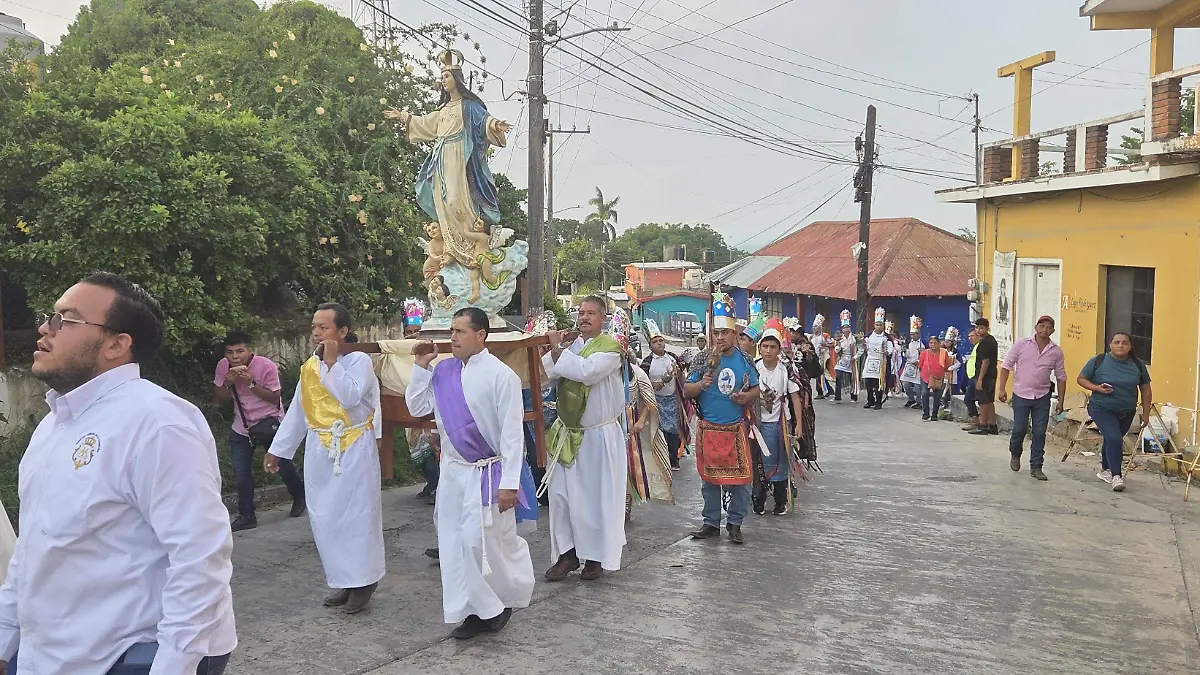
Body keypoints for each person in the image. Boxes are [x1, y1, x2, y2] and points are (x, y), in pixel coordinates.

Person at [0, 273, 236, 674]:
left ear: (116, 344)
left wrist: (173, 666)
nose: (45, 328)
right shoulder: (54, 423)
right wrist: (5, 641)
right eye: (49, 316)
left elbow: (200, 559)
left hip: (128, 655)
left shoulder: (158, 423)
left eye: (66, 320)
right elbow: (34, 549)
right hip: (58, 655)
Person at [405, 307, 534, 639]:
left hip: (486, 473)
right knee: (454, 544)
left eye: (460, 331)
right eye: (451, 330)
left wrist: (509, 484)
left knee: (483, 544)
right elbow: (418, 408)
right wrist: (421, 369)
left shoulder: (501, 375)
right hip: (452, 474)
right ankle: (474, 609)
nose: (453, 337)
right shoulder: (444, 371)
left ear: (481, 335)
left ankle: (501, 601)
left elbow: (512, 435)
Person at [266, 303, 384, 613]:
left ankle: (365, 581)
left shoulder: (359, 361)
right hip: (321, 448)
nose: (316, 332)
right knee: (327, 518)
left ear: (343, 331)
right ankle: (344, 579)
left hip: (354, 445)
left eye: (324, 327)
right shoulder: (310, 367)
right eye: (314, 327)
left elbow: (349, 397)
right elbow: (298, 411)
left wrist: (331, 364)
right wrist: (279, 450)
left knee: (356, 516)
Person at [386, 49, 513, 304]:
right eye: (441, 76)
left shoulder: (470, 107)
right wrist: (402, 116)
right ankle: (452, 250)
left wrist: (495, 126)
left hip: (461, 159)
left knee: (457, 200)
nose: (443, 80)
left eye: (447, 75)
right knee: (444, 203)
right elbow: (424, 124)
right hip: (442, 160)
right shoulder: (443, 110)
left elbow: (485, 122)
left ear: (457, 78)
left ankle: (470, 248)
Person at [541, 296, 627, 582]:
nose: (585, 317)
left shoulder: (611, 350)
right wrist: (551, 348)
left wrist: (556, 349)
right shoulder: (572, 347)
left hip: (598, 437)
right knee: (562, 497)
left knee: (593, 500)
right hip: (568, 434)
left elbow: (586, 373)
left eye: (591, 313)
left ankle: (594, 558)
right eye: (581, 312)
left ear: (603, 318)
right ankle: (567, 555)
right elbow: (549, 374)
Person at [684, 293, 759, 544]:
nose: (719, 337)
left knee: (741, 480)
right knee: (709, 480)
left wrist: (745, 396)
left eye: (724, 333)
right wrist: (702, 384)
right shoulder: (701, 359)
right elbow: (686, 390)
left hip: (735, 427)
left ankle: (735, 523)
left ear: (734, 334)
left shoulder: (745, 359)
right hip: (708, 427)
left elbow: (756, 388)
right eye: (715, 333)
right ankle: (711, 522)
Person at [212, 330, 305, 532]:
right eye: (230, 352)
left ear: (249, 350)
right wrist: (227, 381)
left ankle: (299, 496)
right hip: (242, 426)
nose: (235, 357)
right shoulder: (223, 367)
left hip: (268, 422)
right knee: (241, 473)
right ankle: (247, 515)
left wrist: (250, 382)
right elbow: (219, 400)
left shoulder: (266, 366)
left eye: (240, 351)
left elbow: (275, 398)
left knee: (282, 465)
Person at [1077, 333, 1153, 493]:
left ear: (1130, 346)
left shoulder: (1137, 365)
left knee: (1113, 438)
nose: (1120, 345)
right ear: (1110, 345)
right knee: (1114, 437)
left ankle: (1105, 470)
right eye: (1116, 342)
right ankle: (1116, 475)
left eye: (1125, 343)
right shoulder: (1098, 361)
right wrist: (1096, 388)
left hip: (1127, 410)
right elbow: (1081, 378)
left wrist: (1146, 413)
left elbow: (1145, 389)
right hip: (1101, 407)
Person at [996, 315, 1067, 481]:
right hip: (1021, 394)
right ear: (1036, 327)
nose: (1045, 330)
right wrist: (1001, 389)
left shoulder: (1055, 351)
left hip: (1042, 396)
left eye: (1048, 327)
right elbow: (1006, 366)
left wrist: (1061, 401)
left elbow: (1061, 376)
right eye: (1041, 326)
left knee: (1039, 431)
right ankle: (1015, 453)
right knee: (1020, 428)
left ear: (1053, 331)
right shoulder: (1022, 344)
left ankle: (1036, 467)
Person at [752, 323, 802, 516]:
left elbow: (795, 397)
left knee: (781, 461)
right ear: (760, 348)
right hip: (757, 423)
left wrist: (798, 424)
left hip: (780, 422)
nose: (768, 350)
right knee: (759, 461)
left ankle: (780, 501)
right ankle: (759, 498)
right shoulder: (754, 367)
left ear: (779, 350)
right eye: (765, 346)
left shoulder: (786, 370)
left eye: (773, 347)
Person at [640, 320, 689, 470]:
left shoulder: (673, 357)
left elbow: (682, 379)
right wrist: (661, 381)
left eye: (661, 340)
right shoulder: (647, 362)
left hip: (673, 399)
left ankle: (674, 460)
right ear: (650, 345)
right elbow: (644, 384)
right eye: (655, 341)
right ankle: (660, 459)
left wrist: (679, 374)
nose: (659, 343)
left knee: (673, 430)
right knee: (659, 430)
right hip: (656, 401)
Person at [969, 318, 1000, 436]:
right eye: (977, 327)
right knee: (989, 401)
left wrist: (980, 379)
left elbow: (985, 361)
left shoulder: (985, 342)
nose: (978, 330)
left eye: (981, 328)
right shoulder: (990, 340)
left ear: (987, 329)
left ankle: (983, 425)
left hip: (986, 376)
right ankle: (992, 425)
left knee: (983, 401)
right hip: (991, 375)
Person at [862, 309, 894, 410]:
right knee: (868, 381)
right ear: (874, 325)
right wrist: (864, 346)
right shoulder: (869, 335)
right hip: (870, 359)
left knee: (878, 383)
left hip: (880, 361)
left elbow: (890, 349)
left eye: (880, 325)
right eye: (877, 324)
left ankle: (878, 401)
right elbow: (864, 347)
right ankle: (870, 400)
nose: (878, 327)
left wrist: (887, 352)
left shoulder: (886, 337)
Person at [919, 335, 952, 421]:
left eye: (934, 343)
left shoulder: (943, 353)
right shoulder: (924, 353)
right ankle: (926, 414)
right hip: (925, 377)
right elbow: (920, 365)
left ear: (939, 343)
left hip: (938, 378)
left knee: (937, 396)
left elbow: (947, 365)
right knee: (924, 394)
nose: (932, 345)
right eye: (931, 343)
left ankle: (934, 414)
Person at [833, 310, 858, 403]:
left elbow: (860, 350)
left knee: (852, 378)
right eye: (844, 328)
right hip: (842, 359)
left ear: (850, 328)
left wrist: (855, 357)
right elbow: (836, 350)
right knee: (838, 376)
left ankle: (854, 396)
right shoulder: (840, 338)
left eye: (847, 327)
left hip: (852, 360)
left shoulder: (854, 338)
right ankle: (837, 396)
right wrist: (838, 344)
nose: (845, 329)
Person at [900, 316, 924, 408]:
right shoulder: (908, 342)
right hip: (909, 365)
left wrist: (919, 361)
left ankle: (919, 402)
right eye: (911, 334)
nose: (912, 336)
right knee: (905, 383)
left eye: (914, 334)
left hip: (918, 366)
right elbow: (906, 355)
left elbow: (926, 355)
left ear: (918, 334)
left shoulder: (923, 343)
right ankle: (911, 399)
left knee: (918, 386)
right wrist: (904, 350)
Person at [961, 328, 982, 432]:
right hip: (972, 377)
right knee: (972, 399)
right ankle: (977, 420)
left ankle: (976, 421)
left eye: (972, 336)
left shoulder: (980, 347)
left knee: (969, 399)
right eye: (969, 336)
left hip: (976, 377)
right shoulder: (975, 347)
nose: (970, 338)